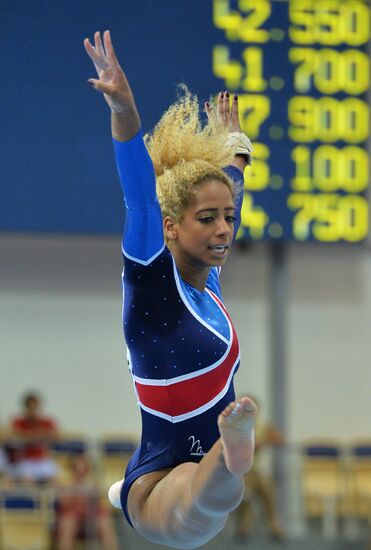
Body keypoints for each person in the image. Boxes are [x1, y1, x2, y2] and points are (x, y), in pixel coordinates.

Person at [84, 30, 257, 549]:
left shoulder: (210, 282)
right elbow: (139, 196)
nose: (224, 229)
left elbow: (229, 199)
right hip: (158, 480)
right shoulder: (152, 280)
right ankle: (233, 452)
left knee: (215, 498)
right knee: (197, 513)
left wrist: (237, 155)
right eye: (207, 219)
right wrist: (124, 109)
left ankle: (230, 455)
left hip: (200, 467)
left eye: (228, 218)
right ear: (169, 227)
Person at [234, 397, 285, 542]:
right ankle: (244, 524)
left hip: (255, 470)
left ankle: (273, 522)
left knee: (266, 485)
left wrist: (269, 439)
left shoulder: (261, 427)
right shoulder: (235, 426)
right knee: (249, 486)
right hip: (239, 471)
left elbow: (280, 439)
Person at [56, 453, 119, 550]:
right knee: (68, 522)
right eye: (78, 467)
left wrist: (94, 494)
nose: (81, 470)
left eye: (83, 468)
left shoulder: (93, 482)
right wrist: (73, 491)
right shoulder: (66, 482)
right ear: (73, 468)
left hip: (91, 515)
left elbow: (100, 504)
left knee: (105, 521)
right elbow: (64, 503)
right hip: (72, 514)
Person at [5, 391, 59, 484]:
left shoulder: (46, 422)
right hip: (25, 461)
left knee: (59, 479)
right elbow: (9, 434)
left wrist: (26, 436)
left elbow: (57, 436)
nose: (33, 410)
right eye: (30, 407)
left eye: (35, 407)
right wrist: (38, 436)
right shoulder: (18, 422)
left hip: (42, 460)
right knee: (26, 479)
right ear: (25, 408)